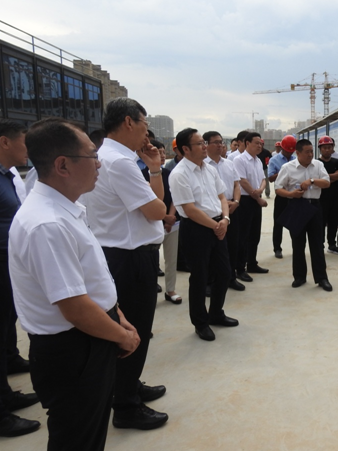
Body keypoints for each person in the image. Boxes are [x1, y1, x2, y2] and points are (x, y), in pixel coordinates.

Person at [9, 119, 141, 448]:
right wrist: (122, 336)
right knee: (77, 438)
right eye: (92, 156)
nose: (99, 164)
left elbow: (89, 280)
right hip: (73, 349)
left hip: (90, 336)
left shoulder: (66, 210)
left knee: (89, 433)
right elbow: (75, 308)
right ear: (63, 165)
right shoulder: (47, 223)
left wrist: (117, 315)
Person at [82, 97, 168, 430]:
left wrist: (155, 168)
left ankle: (128, 385)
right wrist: (155, 185)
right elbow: (157, 210)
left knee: (131, 327)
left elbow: (154, 201)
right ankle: (126, 406)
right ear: (129, 122)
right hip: (130, 257)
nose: (147, 131)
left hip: (118, 254)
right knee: (135, 330)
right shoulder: (119, 162)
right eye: (145, 123)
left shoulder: (108, 157)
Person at [169, 129, 238, 342]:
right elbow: (190, 210)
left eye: (204, 142)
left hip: (218, 224)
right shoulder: (179, 174)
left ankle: (216, 313)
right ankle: (200, 322)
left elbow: (222, 197)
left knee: (224, 272)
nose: (205, 146)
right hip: (196, 229)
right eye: (200, 143)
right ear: (185, 149)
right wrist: (216, 226)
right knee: (200, 277)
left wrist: (224, 220)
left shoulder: (209, 169)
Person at [0, 120, 40, 438]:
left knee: (6, 324)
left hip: (8, 262)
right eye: (24, 143)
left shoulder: (8, 175)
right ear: (5, 142)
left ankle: (7, 383)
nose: (29, 150)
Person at [275, 139, 332, 291]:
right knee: (298, 244)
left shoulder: (318, 165)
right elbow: (278, 188)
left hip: (315, 207)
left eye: (312, 151)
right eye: (307, 152)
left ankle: (322, 278)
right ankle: (299, 276)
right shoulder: (287, 168)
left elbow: (327, 183)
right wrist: (291, 194)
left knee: (317, 244)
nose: (310, 154)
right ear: (297, 153)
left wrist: (312, 181)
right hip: (297, 206)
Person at [204, 131, 244, 292]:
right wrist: (222, 204)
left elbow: (236, 185)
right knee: (212, 248)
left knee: (233, 245)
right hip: (213, 211)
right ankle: (209, 281)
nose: (220, 145)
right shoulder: (203, 166)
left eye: (221, 142)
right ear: (206, 145)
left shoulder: (229, 163)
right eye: (216, 142)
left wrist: (236, 202)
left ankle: (230, 278)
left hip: (232, 209)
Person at [142, 140, 181, 304]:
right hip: (151, 223)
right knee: (151, 261)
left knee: (171, 259)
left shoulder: (169, 173)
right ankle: (151, 291)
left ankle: (170, 290)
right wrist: (164, 217)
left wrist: (170, 218)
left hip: (172, 223)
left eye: (163, 152)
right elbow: (146, 203)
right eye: (158, 152)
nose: (162, 156)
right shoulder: (141, 175)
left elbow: (176, 197)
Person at [233, 132, 269, 281]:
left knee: (255, 234)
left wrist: (260, 190)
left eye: (260, 143)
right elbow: (242, 181)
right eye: (256, 143)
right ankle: (240, 268)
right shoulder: (239, 160)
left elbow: (263, 179)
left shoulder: (258, 160)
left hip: (255, 198)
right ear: (247, 143)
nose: (259, 146)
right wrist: (258, 197)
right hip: (245, 201)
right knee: (243, 236)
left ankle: (252, 263)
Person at [268, 135, 296, 259]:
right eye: (287, 151)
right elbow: (270, 178)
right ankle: (277, 248)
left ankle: (296, 247)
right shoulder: (274, 160)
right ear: (282, 148)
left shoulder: (296, 159)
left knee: (295, 223)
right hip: (281, 195)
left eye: (291, 151)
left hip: (294, 196)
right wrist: (284, 171)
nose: (289, 153)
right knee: (278, 223)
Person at [317, 136, 338, 255]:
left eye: (329, 147)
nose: (327, 150)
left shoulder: (336, 162)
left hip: (335, 197)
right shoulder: (317, 163)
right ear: (320, 149)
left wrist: (326, 178)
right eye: (324, 148)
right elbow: (317, 179)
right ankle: (320, 244)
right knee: (321, 223)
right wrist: (334, 176)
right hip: (321, 198)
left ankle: (332, 244)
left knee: (334, 222)